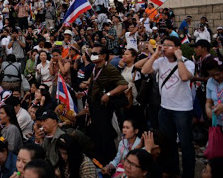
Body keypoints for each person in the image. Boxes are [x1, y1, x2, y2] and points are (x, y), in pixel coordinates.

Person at [140, 36, 196, 178]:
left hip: (182, 110)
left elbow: (184, 77)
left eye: (169, 45)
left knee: (185, 144)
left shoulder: (188, 63)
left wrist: (179, 59)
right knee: (168, 144)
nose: (164, 48)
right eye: (163, 45)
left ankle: (188, 174)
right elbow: (144, 71)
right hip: (165, 108)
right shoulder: (160, 61)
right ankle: (172, 171)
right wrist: (155, 55)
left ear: (178, 48)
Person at [84, 43, 128, 165]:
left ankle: (109, 162)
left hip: (104, 109)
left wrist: (108, 95)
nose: (92, 56)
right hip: (94, 107)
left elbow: (124, 85)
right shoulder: (95, 68)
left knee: (106, 136)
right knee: (97, 135)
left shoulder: (109, 69)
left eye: (95, 54)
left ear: (103, 56)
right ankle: (99, 162)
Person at [205, 57, 223, 127]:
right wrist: (208, 108)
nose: (216, 77)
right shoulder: (210, 82)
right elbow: (209, 101)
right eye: (212, 75)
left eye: (218, 74)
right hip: (218, 122)